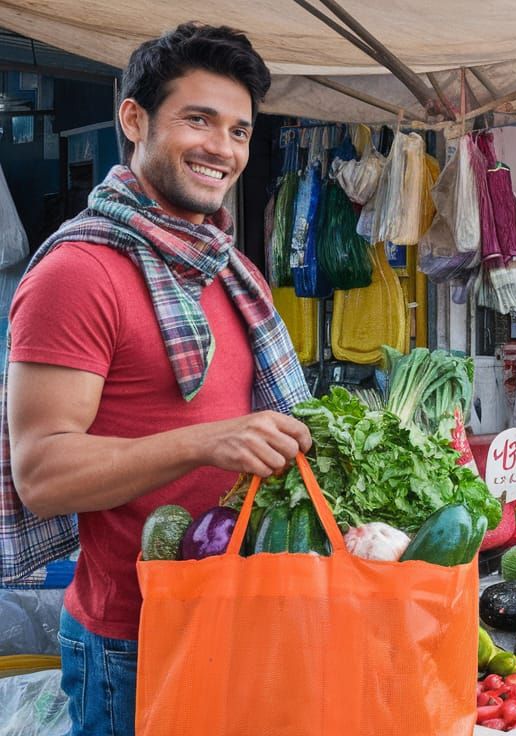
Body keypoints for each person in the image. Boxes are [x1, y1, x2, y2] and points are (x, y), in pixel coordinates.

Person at [2, 24, 311, 734]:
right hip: (136, 639)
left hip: (239, 615)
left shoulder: (224, 267)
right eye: (197, 120)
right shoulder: (79, 273)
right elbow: (42, 471)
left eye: (239, 130)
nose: (223, 149)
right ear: (134, 119)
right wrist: (205, 443)